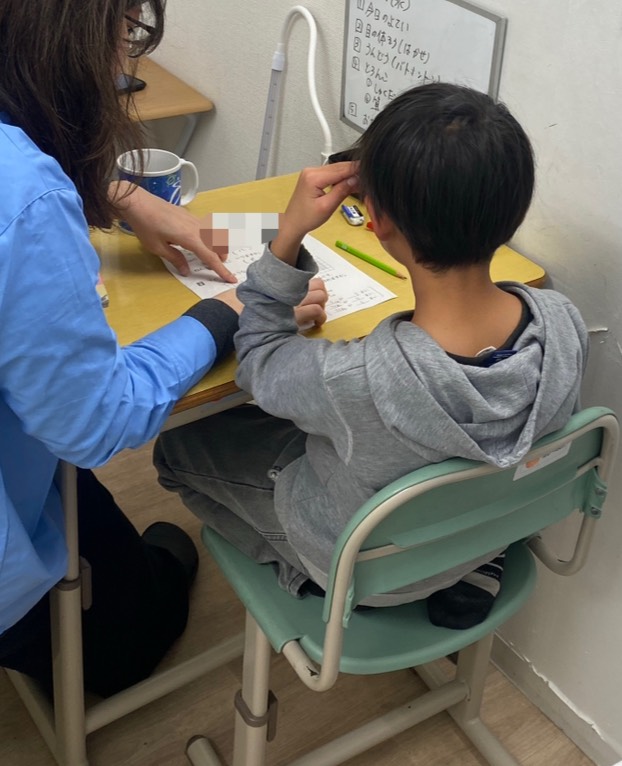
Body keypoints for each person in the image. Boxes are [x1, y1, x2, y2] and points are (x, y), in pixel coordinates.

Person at [154, 83, 589, 627]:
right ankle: (477, 561)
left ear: (376, 220)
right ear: (513, 210)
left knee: (177, 445)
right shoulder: (563, 323)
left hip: (371, 571)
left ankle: (309, 573)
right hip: (488, 528)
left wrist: (288, 234)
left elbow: (259, 359)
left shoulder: (354, 379)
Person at [0, 0, 326, 697]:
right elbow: (95, 421)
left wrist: (116, 193)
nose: (125, 62)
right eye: (127, 34)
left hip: (25, 454)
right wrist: (229, 311)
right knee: (123, 644)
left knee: (88, 519)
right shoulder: (22, 196)